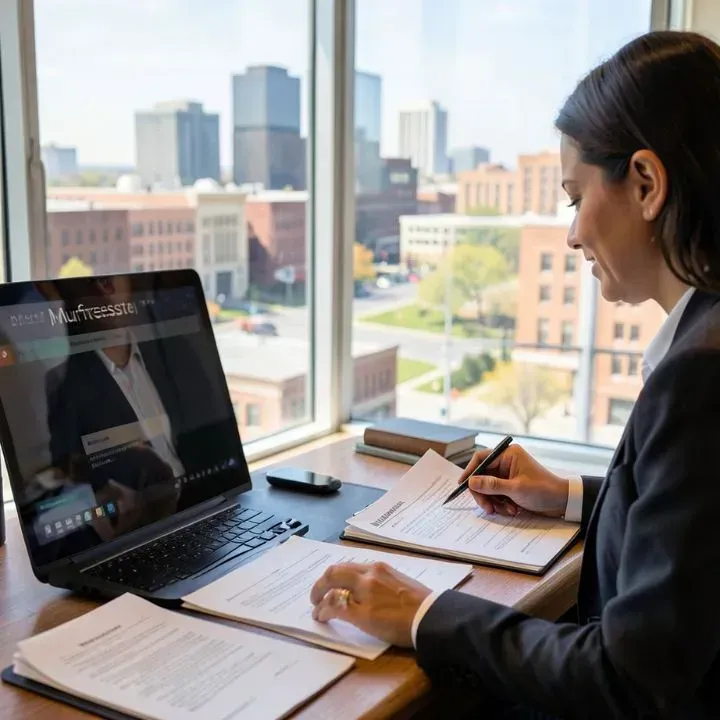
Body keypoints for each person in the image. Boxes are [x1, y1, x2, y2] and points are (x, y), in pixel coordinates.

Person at [310, 30, 720, 718]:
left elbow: (629, 683)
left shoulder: (700, 378)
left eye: (574, 196)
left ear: (646, 184)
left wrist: (423, 611)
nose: (571, 233)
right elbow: (695, 529)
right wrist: (565, 494)